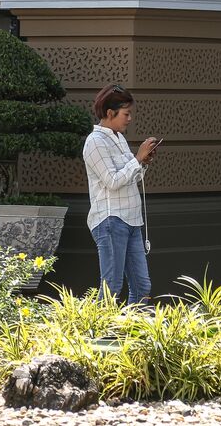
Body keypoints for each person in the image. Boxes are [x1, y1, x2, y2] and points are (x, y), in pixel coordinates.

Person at [83, 85, 157, 304]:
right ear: (109, 113)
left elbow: (130, 178)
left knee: (142, 286)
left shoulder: (119, 138)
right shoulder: (95, 141)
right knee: (112, 286)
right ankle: (96, 334)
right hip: (110, 220)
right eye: (126, 113)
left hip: (131, 220)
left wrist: (142, 162)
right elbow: (112, 181)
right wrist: (137, 159)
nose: (130, 118)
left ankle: (133, 335)